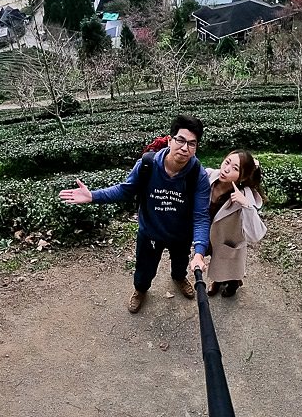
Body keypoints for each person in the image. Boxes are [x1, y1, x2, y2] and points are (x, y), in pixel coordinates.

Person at [59, 115, 210, 314]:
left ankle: (179, 277)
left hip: (181, 234)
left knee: (181, 263)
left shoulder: (197, 175)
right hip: (150, 231)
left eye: (192, 143)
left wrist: (199, 252)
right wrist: (93, 196)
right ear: (170, 139)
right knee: (144, 269)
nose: (185, 148)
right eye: (180, 140)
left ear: (196, 147)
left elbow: (201, 216)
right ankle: (140, 290)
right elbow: (125, 190)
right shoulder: (148, 164)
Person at [204, 149, 266, 297]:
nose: (226, 169)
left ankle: (233, 285)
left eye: (235, 168)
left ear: (242, 178)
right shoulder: (209, 177)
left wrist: (245, 205)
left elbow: (255, 235)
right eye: (227, 162)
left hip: (230, 240)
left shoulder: (244, 196)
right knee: (217, 261)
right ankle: (217, 281)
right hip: (211, 234)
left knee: (230, 265)